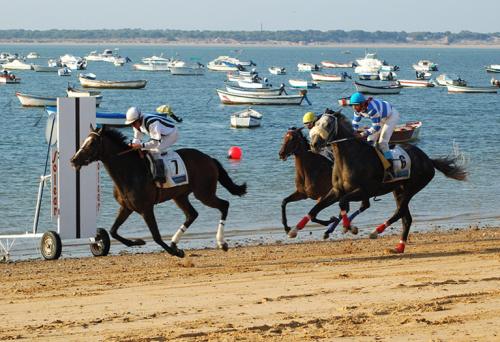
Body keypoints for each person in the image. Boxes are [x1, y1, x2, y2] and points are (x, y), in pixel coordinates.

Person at [349, 92, 400, 181]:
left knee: (382, 143)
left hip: (391, 116)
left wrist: (362, 134)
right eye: (352, 105)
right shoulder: (358, 110)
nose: (354, 108)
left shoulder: (371, 109)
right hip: (381, 118)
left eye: (356, 105)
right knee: (370, 141)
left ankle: (390, 168)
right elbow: (354, 124)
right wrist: (352, 133)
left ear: (362, 104)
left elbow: (376, 127)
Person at [125, 106, 179, 184]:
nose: (133, 126)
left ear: (139, 119)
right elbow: (137, 138)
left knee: (155, 151)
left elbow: (156, 143)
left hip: (172, 134)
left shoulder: (152, 123)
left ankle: (160, 176)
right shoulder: (137, 123)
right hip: (160, 135)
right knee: (144, 150)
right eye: (131, 124)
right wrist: (132, 145)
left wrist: (141, 146)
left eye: (133, 123)